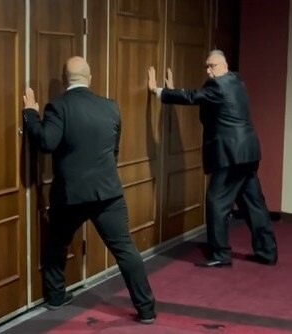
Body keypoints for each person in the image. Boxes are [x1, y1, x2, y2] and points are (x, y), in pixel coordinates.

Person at [22, 56, 156, 323]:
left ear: (64, 80)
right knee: (125, 250)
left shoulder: (58, 107)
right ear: (90, 77)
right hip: (107, 193)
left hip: (70, 195)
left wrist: (30, 115)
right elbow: (114, 149)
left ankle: (56, 297)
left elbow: (46, 143)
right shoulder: (110, 107)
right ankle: (146, 310)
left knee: (56, 243)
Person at [148, 50, 278, 268]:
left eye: (213, 66)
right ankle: (267, 251)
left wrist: (158, 91)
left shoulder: (217, 86)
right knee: (253, 204)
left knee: (217, 203)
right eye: (207, 67)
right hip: (248, 153)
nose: (209, 71)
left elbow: (192, 97)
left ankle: (220, 254)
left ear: (224, 65)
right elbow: (206, 103)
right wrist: (174, 91)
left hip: (230, 155)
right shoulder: (237, 81)